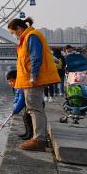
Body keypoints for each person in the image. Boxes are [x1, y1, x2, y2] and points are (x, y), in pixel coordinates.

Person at [7, 16, 60, 152]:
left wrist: (33, 76)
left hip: (33, 80)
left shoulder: (32, 36)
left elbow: (36, 57)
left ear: (19, 28)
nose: (14, 35)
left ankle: (39, 140)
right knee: (33, 108)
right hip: (27, 80)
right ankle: (38, 137)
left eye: (13, 32)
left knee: (34, 109)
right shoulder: (26, 38)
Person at [6, 69, 33, 139]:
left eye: (11, 81)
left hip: (32, 102)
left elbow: (22, 99)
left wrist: (15, 110)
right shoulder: (17, 86)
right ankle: (27, 133)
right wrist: (15, 103)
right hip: (28, 103)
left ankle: (30, 135)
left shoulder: (21, 86)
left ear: (17, 79)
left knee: (27, 118)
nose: (10, 83)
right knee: (25, 117)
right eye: (8, 82)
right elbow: (17, 96)